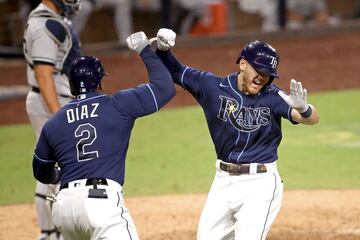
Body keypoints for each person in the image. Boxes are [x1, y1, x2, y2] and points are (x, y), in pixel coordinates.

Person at [155, 28, 319, 240]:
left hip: (260, 184)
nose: (263, 77)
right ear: (243, 64)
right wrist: (162, 48)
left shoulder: (273, 96)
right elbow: (176, 71)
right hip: (223, 181)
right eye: (258, 70)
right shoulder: (213, 87)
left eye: (268, 74)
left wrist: (304, 108)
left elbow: (311, 119)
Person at [31, 31, 176, 240]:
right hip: (100, 205)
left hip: (63, 210)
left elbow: (41, 171)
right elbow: (164, 88)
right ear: (99, 83)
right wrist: (145, 49)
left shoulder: (53, 123)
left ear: (71, 85)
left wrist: (59, 175)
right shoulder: (117, 105)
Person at [23, 0, 81, 239]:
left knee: (51, 164)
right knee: (60, 167)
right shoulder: (46, 24)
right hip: (51, 101)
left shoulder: (45, 19)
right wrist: (60, 115)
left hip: (46, 101)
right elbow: (44, 75)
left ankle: (49, 232)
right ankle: (54, 233)